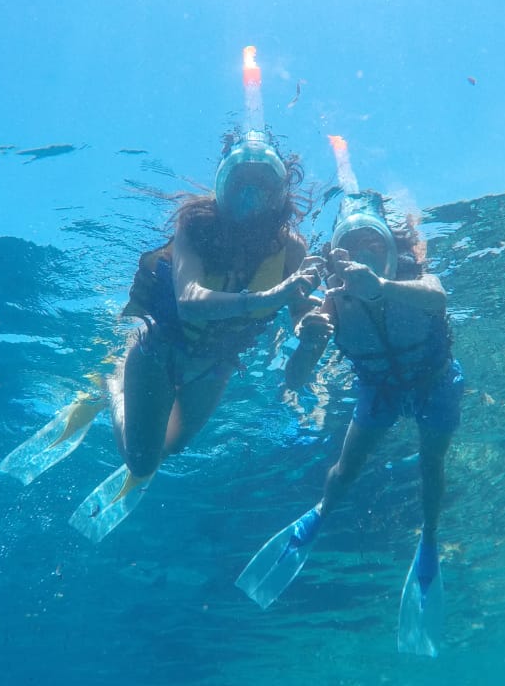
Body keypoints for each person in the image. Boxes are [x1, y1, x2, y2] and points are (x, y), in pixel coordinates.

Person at [64, 128, 322, 541]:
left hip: (217, 365)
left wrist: (308, 328)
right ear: (223, 183)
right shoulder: (195, 225)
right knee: (141, 463)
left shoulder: (293, 249)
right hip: (160, 352)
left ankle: (127, 404)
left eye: (261, 185)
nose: (249, 195)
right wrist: (265, 296)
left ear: (280, 192)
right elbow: (188, 298)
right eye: (240, 183)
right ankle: (111, 385)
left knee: (175, 447)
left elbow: (297, 310)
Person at [235, 189, 463, 656]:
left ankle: (430, 534)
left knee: (431, 465)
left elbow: (438, 298)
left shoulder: (413, 279)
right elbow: (295, 382)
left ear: (392, 247)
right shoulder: (333, 304)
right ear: (338, 257)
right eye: (353, 246)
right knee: (343, 472)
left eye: (375, 244)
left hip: (434, 382)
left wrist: (381, 287)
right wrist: (307, 346)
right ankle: (322, 511)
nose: (365, 254)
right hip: (378, 390)